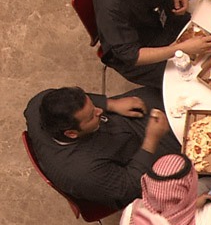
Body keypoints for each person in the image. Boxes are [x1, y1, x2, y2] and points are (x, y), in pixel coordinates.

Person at [24, 86, 179, 210]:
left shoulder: (39, 104)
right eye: (92, 115)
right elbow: (131, 187)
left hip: (118, 127)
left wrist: (110, 104)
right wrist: (152, 139)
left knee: (160, 94)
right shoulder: (84, 172)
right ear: (71, 133)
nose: (99, 111)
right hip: (133, 163)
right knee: (187, 143)